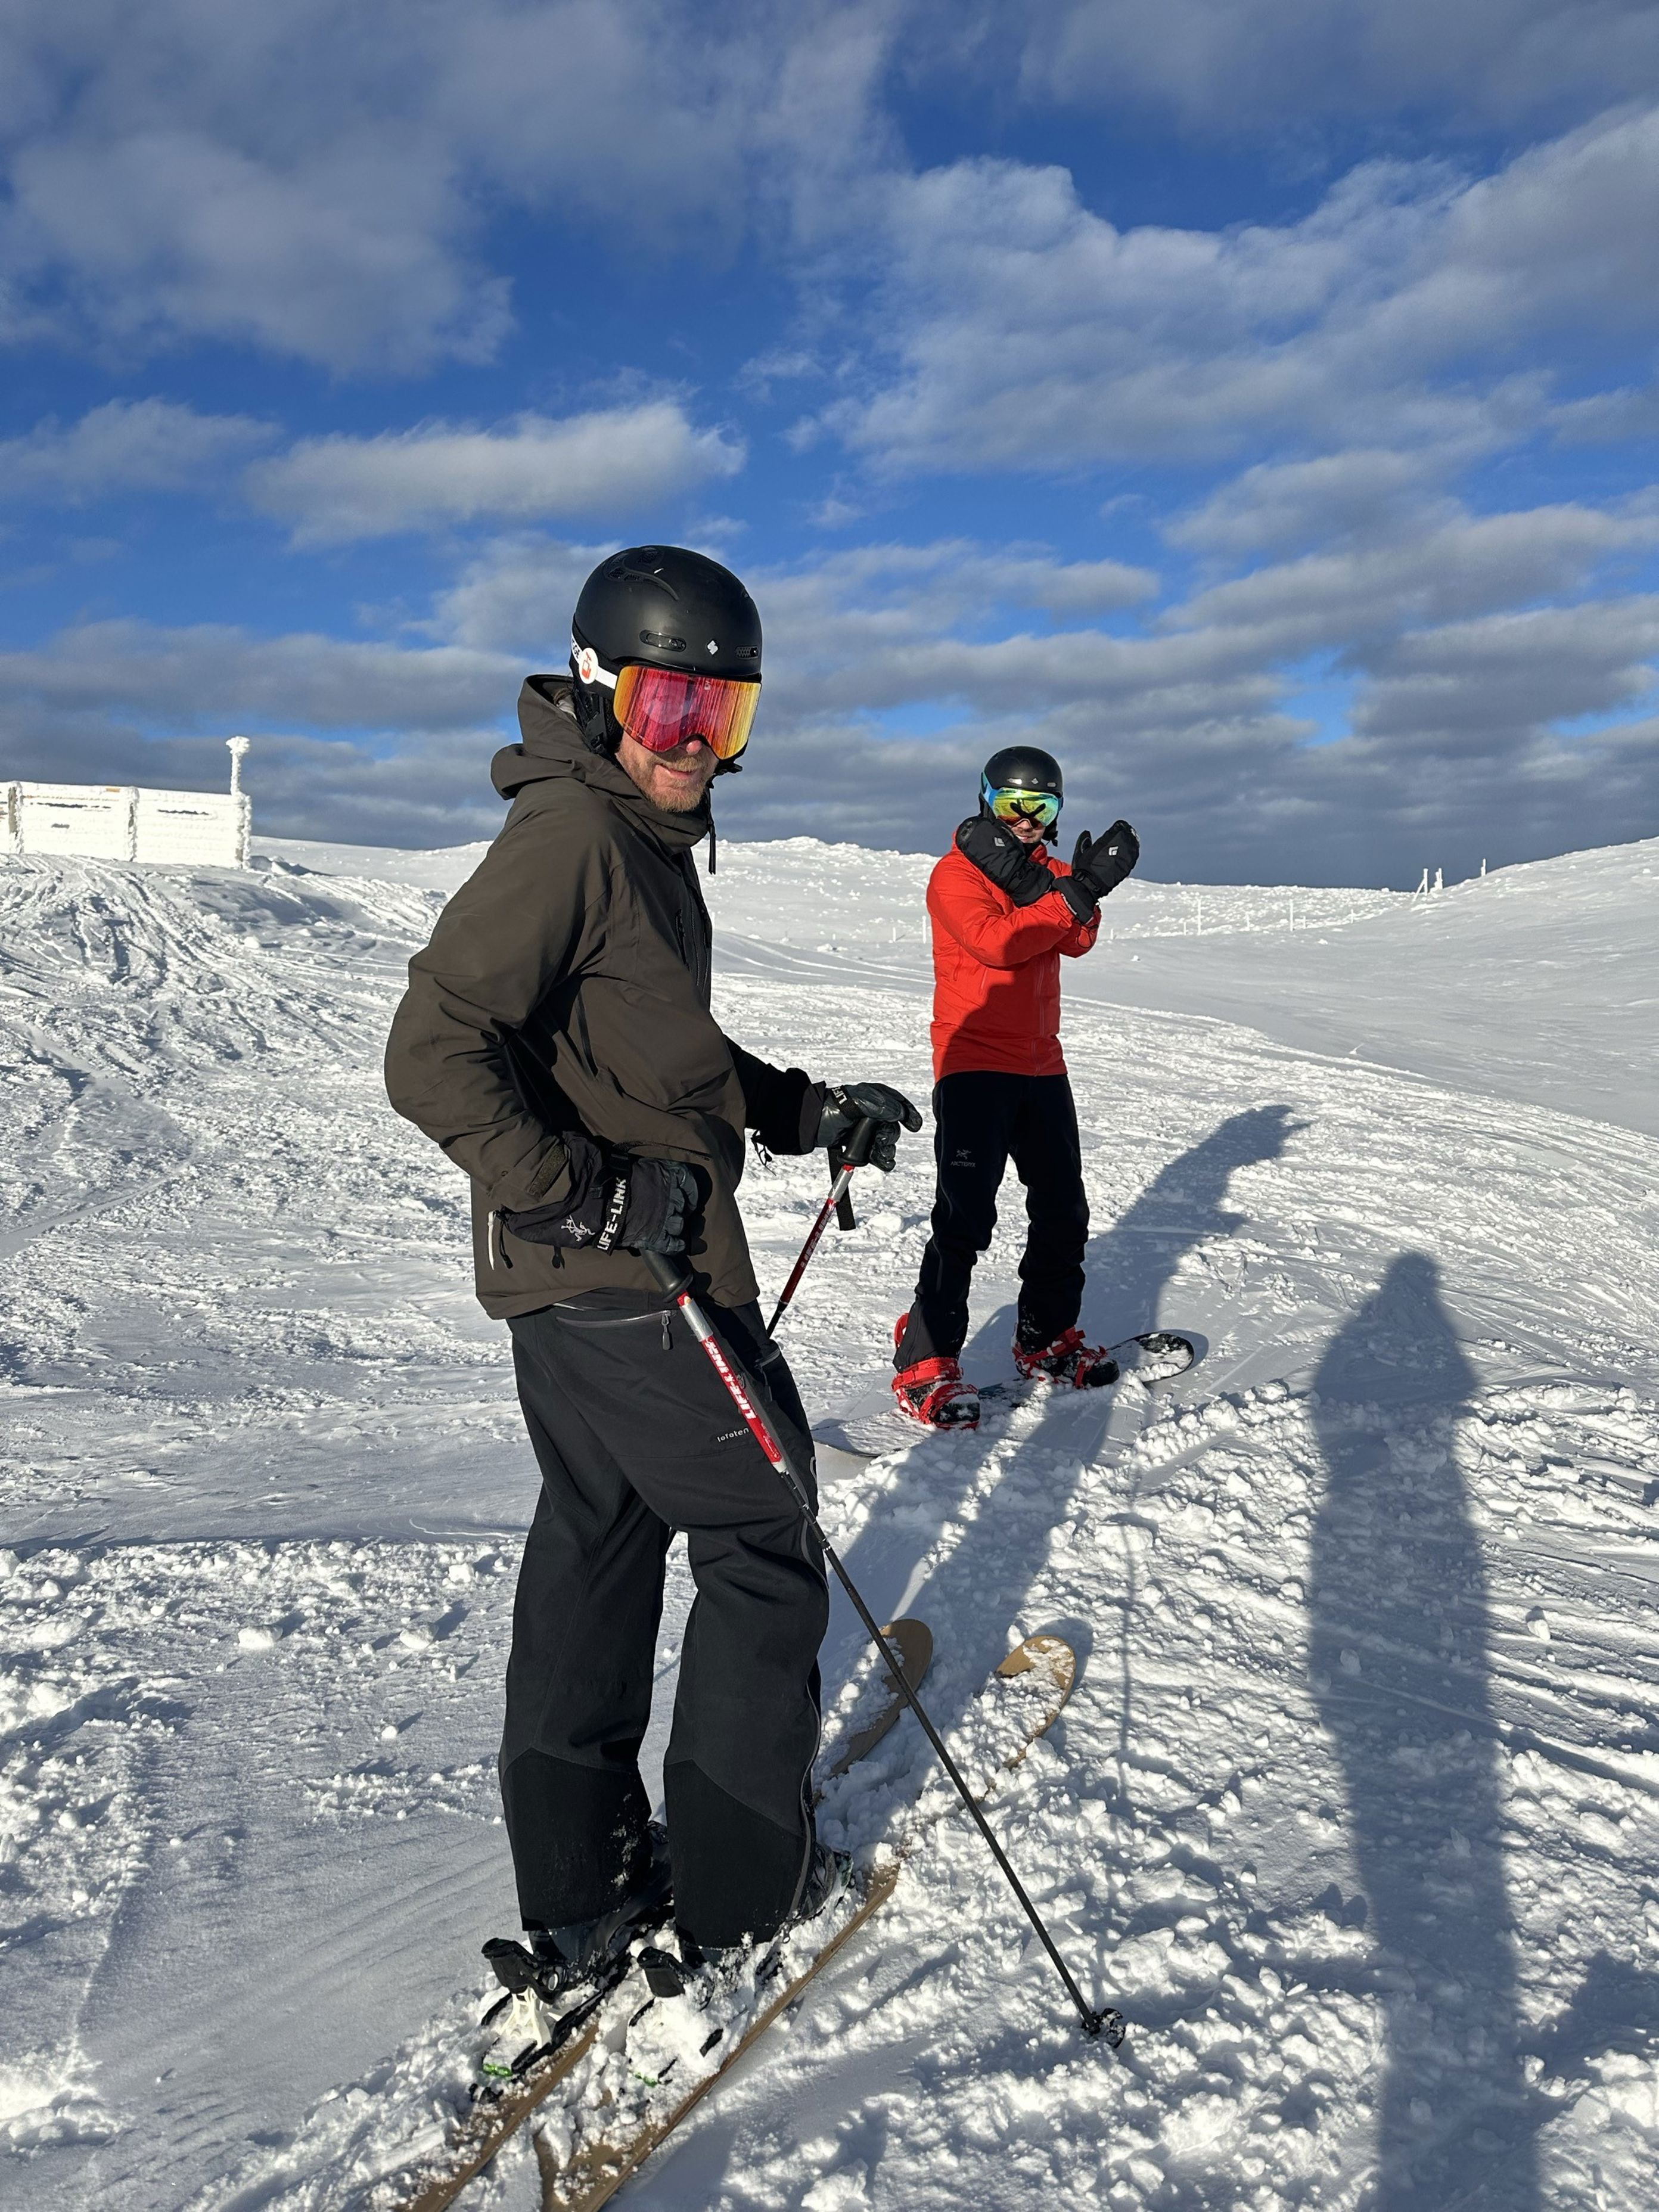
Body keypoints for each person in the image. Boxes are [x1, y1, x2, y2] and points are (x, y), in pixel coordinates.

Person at [384, 545, 919, 2030]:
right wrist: (590, 1188)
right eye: (673, 705)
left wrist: (807, 1110)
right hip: (621, 1274)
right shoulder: (571, 839)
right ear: (605, 684)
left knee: (599, 1542)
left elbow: (664, 1053)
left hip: (575, 1290)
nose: (693, 746)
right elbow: (429, 1054)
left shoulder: (628, 836)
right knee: (759, 1537)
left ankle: (579, 1884)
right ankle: (741, 1895)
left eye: (724, 718)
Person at [891, 746, 1138, 1428]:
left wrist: (1083, 888)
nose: (1028, 821)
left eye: (1043, 808)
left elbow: (1077, 940)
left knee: (1064, 1209)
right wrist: (1074, 897)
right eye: (1013, 806)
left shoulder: (1049, 875)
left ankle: (1045, 1338)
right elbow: (998, 943)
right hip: (973, 1062)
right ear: (986, 801)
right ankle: (924, 1360)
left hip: (1042, 1062)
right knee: (965, 1218)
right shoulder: (954, 875)